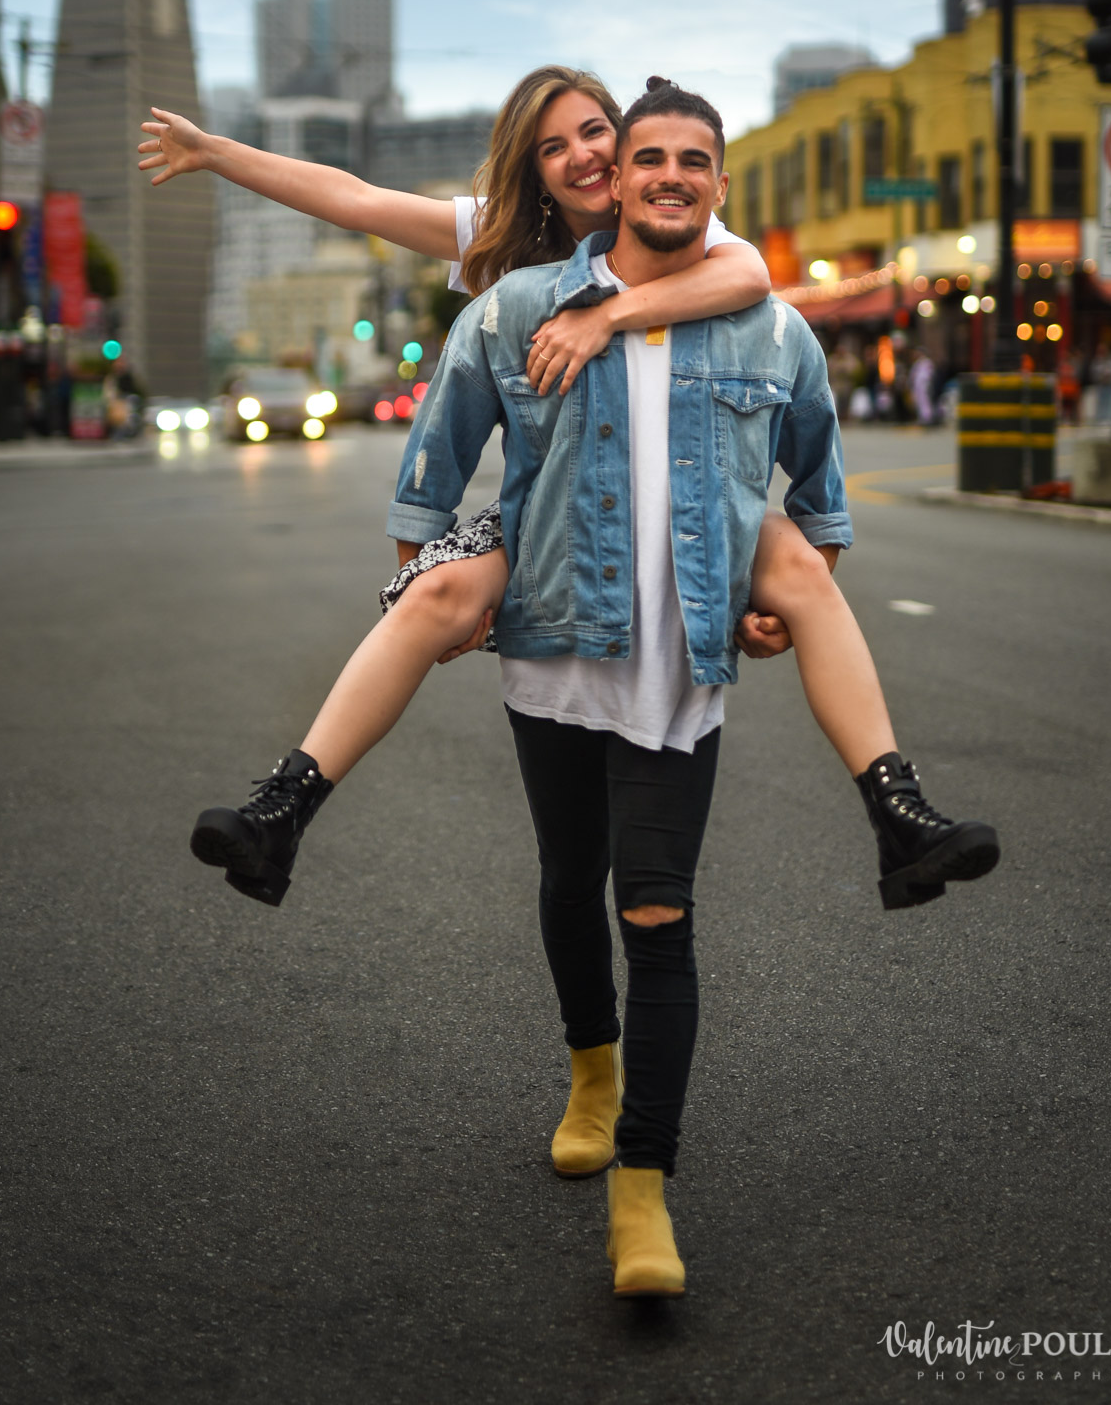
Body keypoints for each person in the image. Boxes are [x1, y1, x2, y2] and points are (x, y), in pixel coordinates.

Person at [375, 80, 1000, 1296]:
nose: (652, 171)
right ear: (591, 175)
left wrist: (782, 595)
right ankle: (592, 1071)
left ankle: (642, 1191)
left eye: (686, 159)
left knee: (656, 914)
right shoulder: (526, 303)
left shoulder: (766, 322)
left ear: (718, 181)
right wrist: (427, 588)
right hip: (558, 629)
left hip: (679, 668)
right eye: (632, 152)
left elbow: (818, 494)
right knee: (569, 880)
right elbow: (435, 452)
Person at [140, 71, 972, 911]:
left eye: (594, 133)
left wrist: (604, 315)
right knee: (429, 599)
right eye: (552, 146)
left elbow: (751, 278)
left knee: (798, 566)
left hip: (693, 484)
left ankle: (896, 810)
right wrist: (214, 153)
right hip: (562, 502)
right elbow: (351, 198)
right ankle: (285, 807)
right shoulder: (506, 254)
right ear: (531, 169)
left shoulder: (679, 209)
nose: (580, 156)